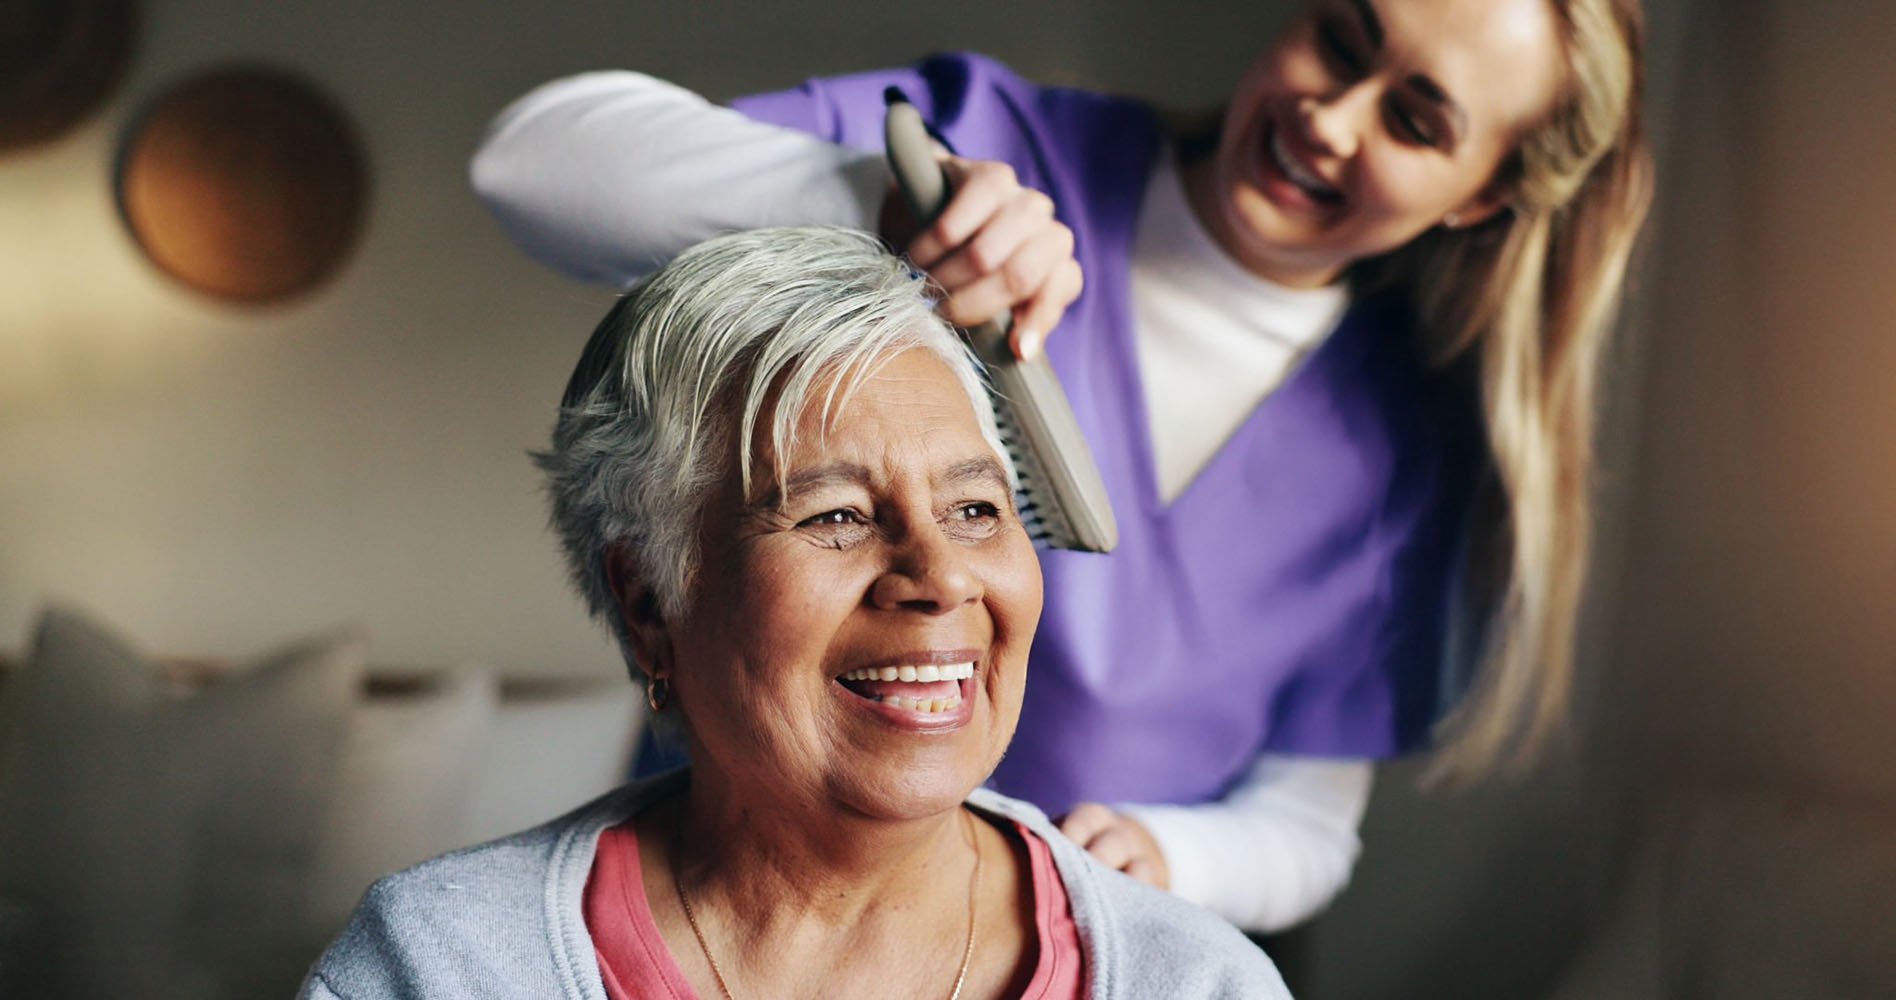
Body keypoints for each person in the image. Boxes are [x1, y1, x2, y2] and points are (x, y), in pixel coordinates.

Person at [468, 0, 1653, 933]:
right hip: (724, 903)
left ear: (1486, 192)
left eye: (1417, 119)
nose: (1332, 117)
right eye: (1341, 38)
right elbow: (527, 168)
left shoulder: (1408, 459)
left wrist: (1165, 856)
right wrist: (866, 204)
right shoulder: (990, 151)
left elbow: (1306, 826)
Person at [299, 227, 1289, 999]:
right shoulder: (443, 965)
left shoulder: (1196, 979)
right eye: (838, 515)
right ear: (652, 604)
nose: (940, 576)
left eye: (975, 508)